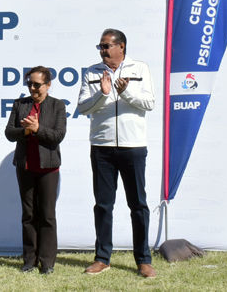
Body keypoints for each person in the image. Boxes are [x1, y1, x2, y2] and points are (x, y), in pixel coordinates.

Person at [77, 28, 156, 278]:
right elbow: (81, 107)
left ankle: (143, 260)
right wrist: (102, 94)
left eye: (106, 46)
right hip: (102, 147)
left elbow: (150, 103)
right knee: (103, 205)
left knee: (138, 205)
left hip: (133, 146)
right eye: (100, 46)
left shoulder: (139, 69)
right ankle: (102, 258)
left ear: (121, 46)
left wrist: (126, 92)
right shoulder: (91, 72)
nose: (102, 50)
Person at [5, 66, 67, 275]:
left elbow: (58, 135)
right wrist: (26, 130)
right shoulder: (20, 104)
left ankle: (47, 262)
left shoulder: (57, 106)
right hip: (25, 167)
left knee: (47, 215)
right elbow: (9, 133)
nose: (32, 87)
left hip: (49, 168)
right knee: (28, 215)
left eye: (37, 84)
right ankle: (29, 261)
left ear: (48, 85)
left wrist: (38, 129)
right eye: (29, 83)